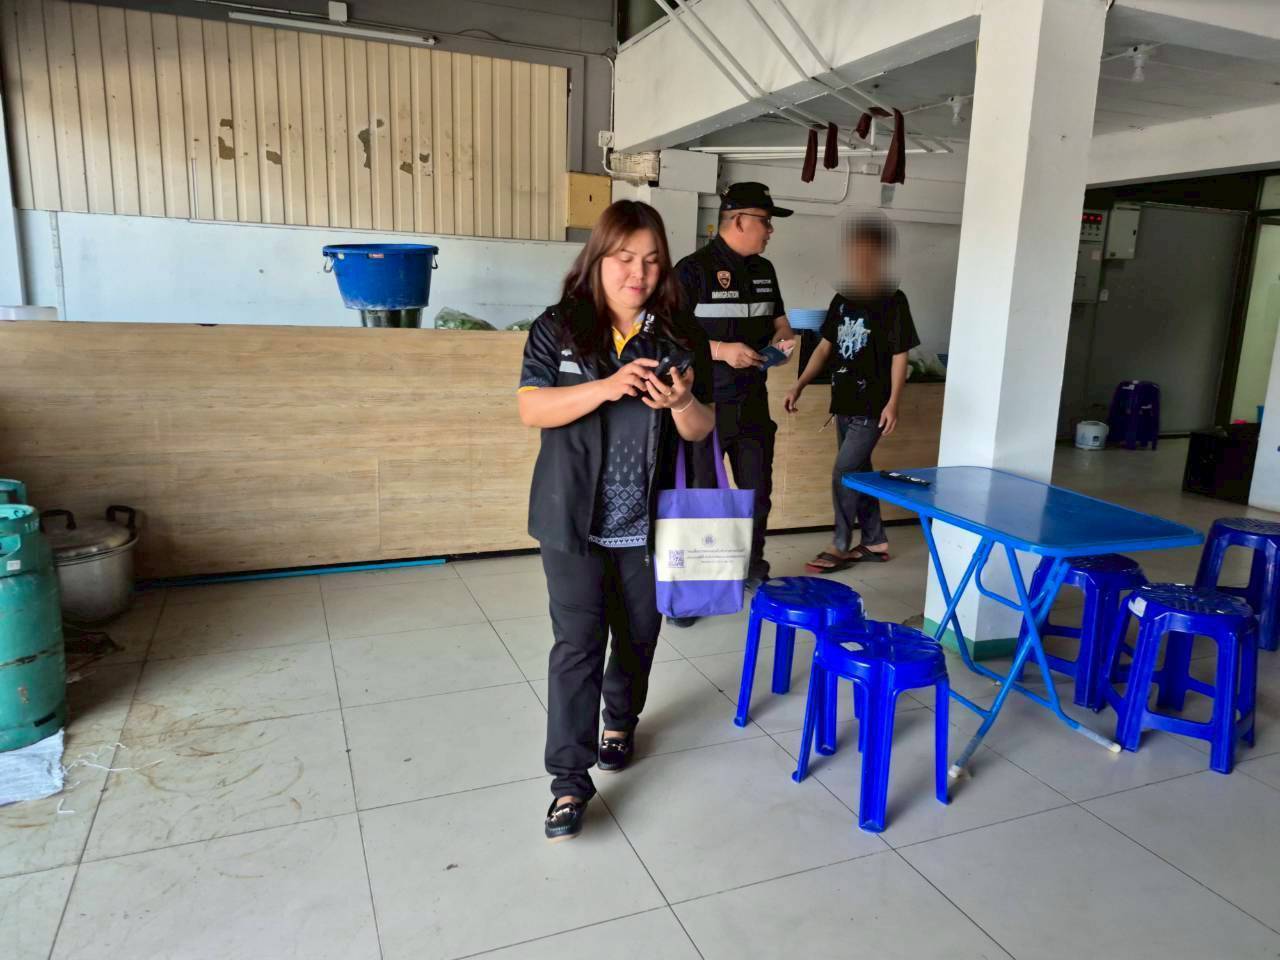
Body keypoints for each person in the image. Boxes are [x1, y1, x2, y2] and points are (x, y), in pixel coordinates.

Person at [517, 200, 715, 842]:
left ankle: (620, 721)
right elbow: (532, 408)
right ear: (598, 259)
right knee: (577, 646)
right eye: (625, 258)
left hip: (648, 526)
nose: (639, 273)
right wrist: (604, 386)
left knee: (637, 637)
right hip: (571, 520)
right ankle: (568, 781)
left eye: (652, 261)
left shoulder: (680, 336)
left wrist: (682, 400)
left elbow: (701, 428)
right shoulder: (559, 327)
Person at [670, 182, 795, 625]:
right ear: (738, 220)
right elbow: (670, 338)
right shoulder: (692, 271)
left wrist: (784, 341)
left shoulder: (765, 270)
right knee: (703, 496)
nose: (770, 231)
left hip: (752, 403)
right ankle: (695, 589)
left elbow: (781, 322)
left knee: (756, 493)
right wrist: (722, 351)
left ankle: (751, 567)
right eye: (765, 222)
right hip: (704, 407)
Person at [784, 213, 919, 572]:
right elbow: (824, 347)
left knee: (843, 472)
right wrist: (799, 383)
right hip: (843, 402)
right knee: (859, 472)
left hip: (873, 406)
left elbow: (900, 354)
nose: (861, 259)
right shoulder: (842, 298)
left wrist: (894, 402)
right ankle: (875, 540)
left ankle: (840, 544)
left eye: (868, 252)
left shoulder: (894, 301)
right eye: (856, 252)